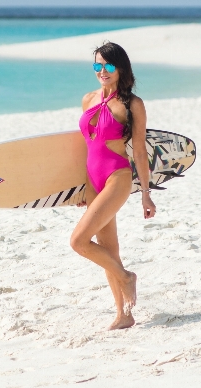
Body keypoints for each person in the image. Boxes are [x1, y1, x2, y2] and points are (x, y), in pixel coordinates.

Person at [71, 41, 155, 330]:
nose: (102, 71)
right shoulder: (88, 99)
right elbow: (85, 147)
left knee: (78, 242)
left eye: (108, 66)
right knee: (109, 250)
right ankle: (124, 315)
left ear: (120, 68)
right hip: (92, 181)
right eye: (97, 65)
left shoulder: (133, 104)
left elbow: (140, 151)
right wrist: (82, 187)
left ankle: (126, 277)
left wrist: (146, 194)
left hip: (116, 176)